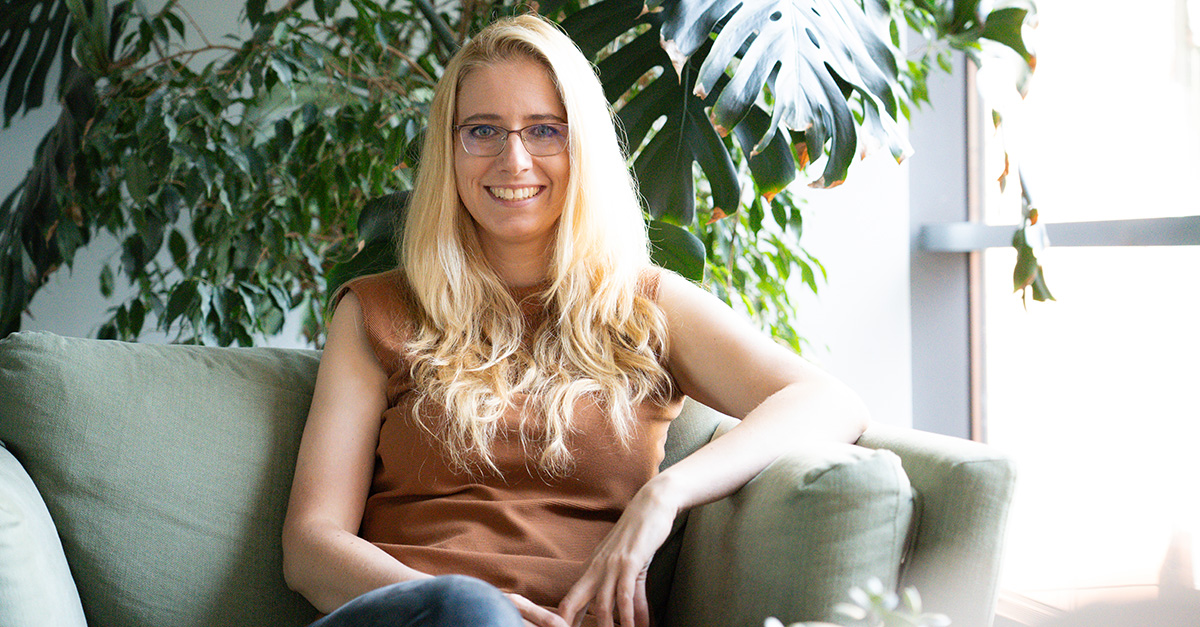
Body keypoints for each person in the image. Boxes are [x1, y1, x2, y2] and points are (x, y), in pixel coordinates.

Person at [281, 13, 869, 627]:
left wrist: (663, 496)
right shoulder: (375, 309)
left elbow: (827, 400)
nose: (514, 159)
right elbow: (311, 546)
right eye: (482, 130)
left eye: (544, 130)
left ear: (582, 144)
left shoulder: (644, 306)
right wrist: (473, 607)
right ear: (448, 150)